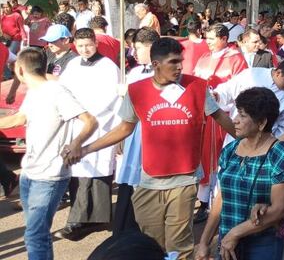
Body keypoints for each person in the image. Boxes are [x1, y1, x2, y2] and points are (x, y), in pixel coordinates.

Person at [65, 37, 237, 258]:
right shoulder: (137, 90)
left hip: (185, 179)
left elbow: (221, 117)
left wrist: (249, 142)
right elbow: (124, 128)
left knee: (179, 247)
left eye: (181, 61)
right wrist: (86, 149)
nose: (179, 67)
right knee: (150, 245)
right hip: (149, 181)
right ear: (156, 64)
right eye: (173, 62)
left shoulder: (197, 86)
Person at [0, 48, 97, 260]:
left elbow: (90, 121)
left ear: (19, 69)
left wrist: (76, 143)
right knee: (38, 234)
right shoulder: (35, 91)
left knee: (34, 235)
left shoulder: (57, 92)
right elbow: (19, 119)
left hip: (50, 176)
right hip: (29, 173)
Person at [195, 87, 284, 259]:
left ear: (261, 123)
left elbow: (279, 210)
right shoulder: (231, 150)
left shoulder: (280, 154)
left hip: (262, 244)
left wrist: (236, 232)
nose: (235, 120)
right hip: (227, 243)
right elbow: (222, 198)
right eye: (237, 113)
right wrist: (204, 242)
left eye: (242, 116)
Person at [56, 28, 121, 241]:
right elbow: (63, 90)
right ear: (75, 45)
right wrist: (74, 111)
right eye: (81, 46)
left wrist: (89, 114)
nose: (85, 49)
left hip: (100, 123)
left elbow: (111, 96)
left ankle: (94, 218)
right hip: (77, 122)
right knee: (79, 171)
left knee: (96, 171)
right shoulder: (73, 65)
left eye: (89, 45)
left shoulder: (108, 66)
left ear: (96, 43)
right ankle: (81, 217)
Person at [194, 23, 248, 221]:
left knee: (220, 157)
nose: (207, 42)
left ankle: (220, 201)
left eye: (211, 38)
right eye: (206, 38)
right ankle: (203, 202)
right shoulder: (203, 58)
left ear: (224, 39)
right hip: (203, 117)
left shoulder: (236, 59)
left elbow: (241, 89)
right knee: (203, 157)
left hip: (223, 117)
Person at [112, 27, 161, 235]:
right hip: (133, 132)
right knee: (129, 180)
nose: (134, 53)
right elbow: (125, 109)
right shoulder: (134, 73)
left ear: (151, 47)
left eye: (138, 48)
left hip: (154, 135)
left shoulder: (164, 73)